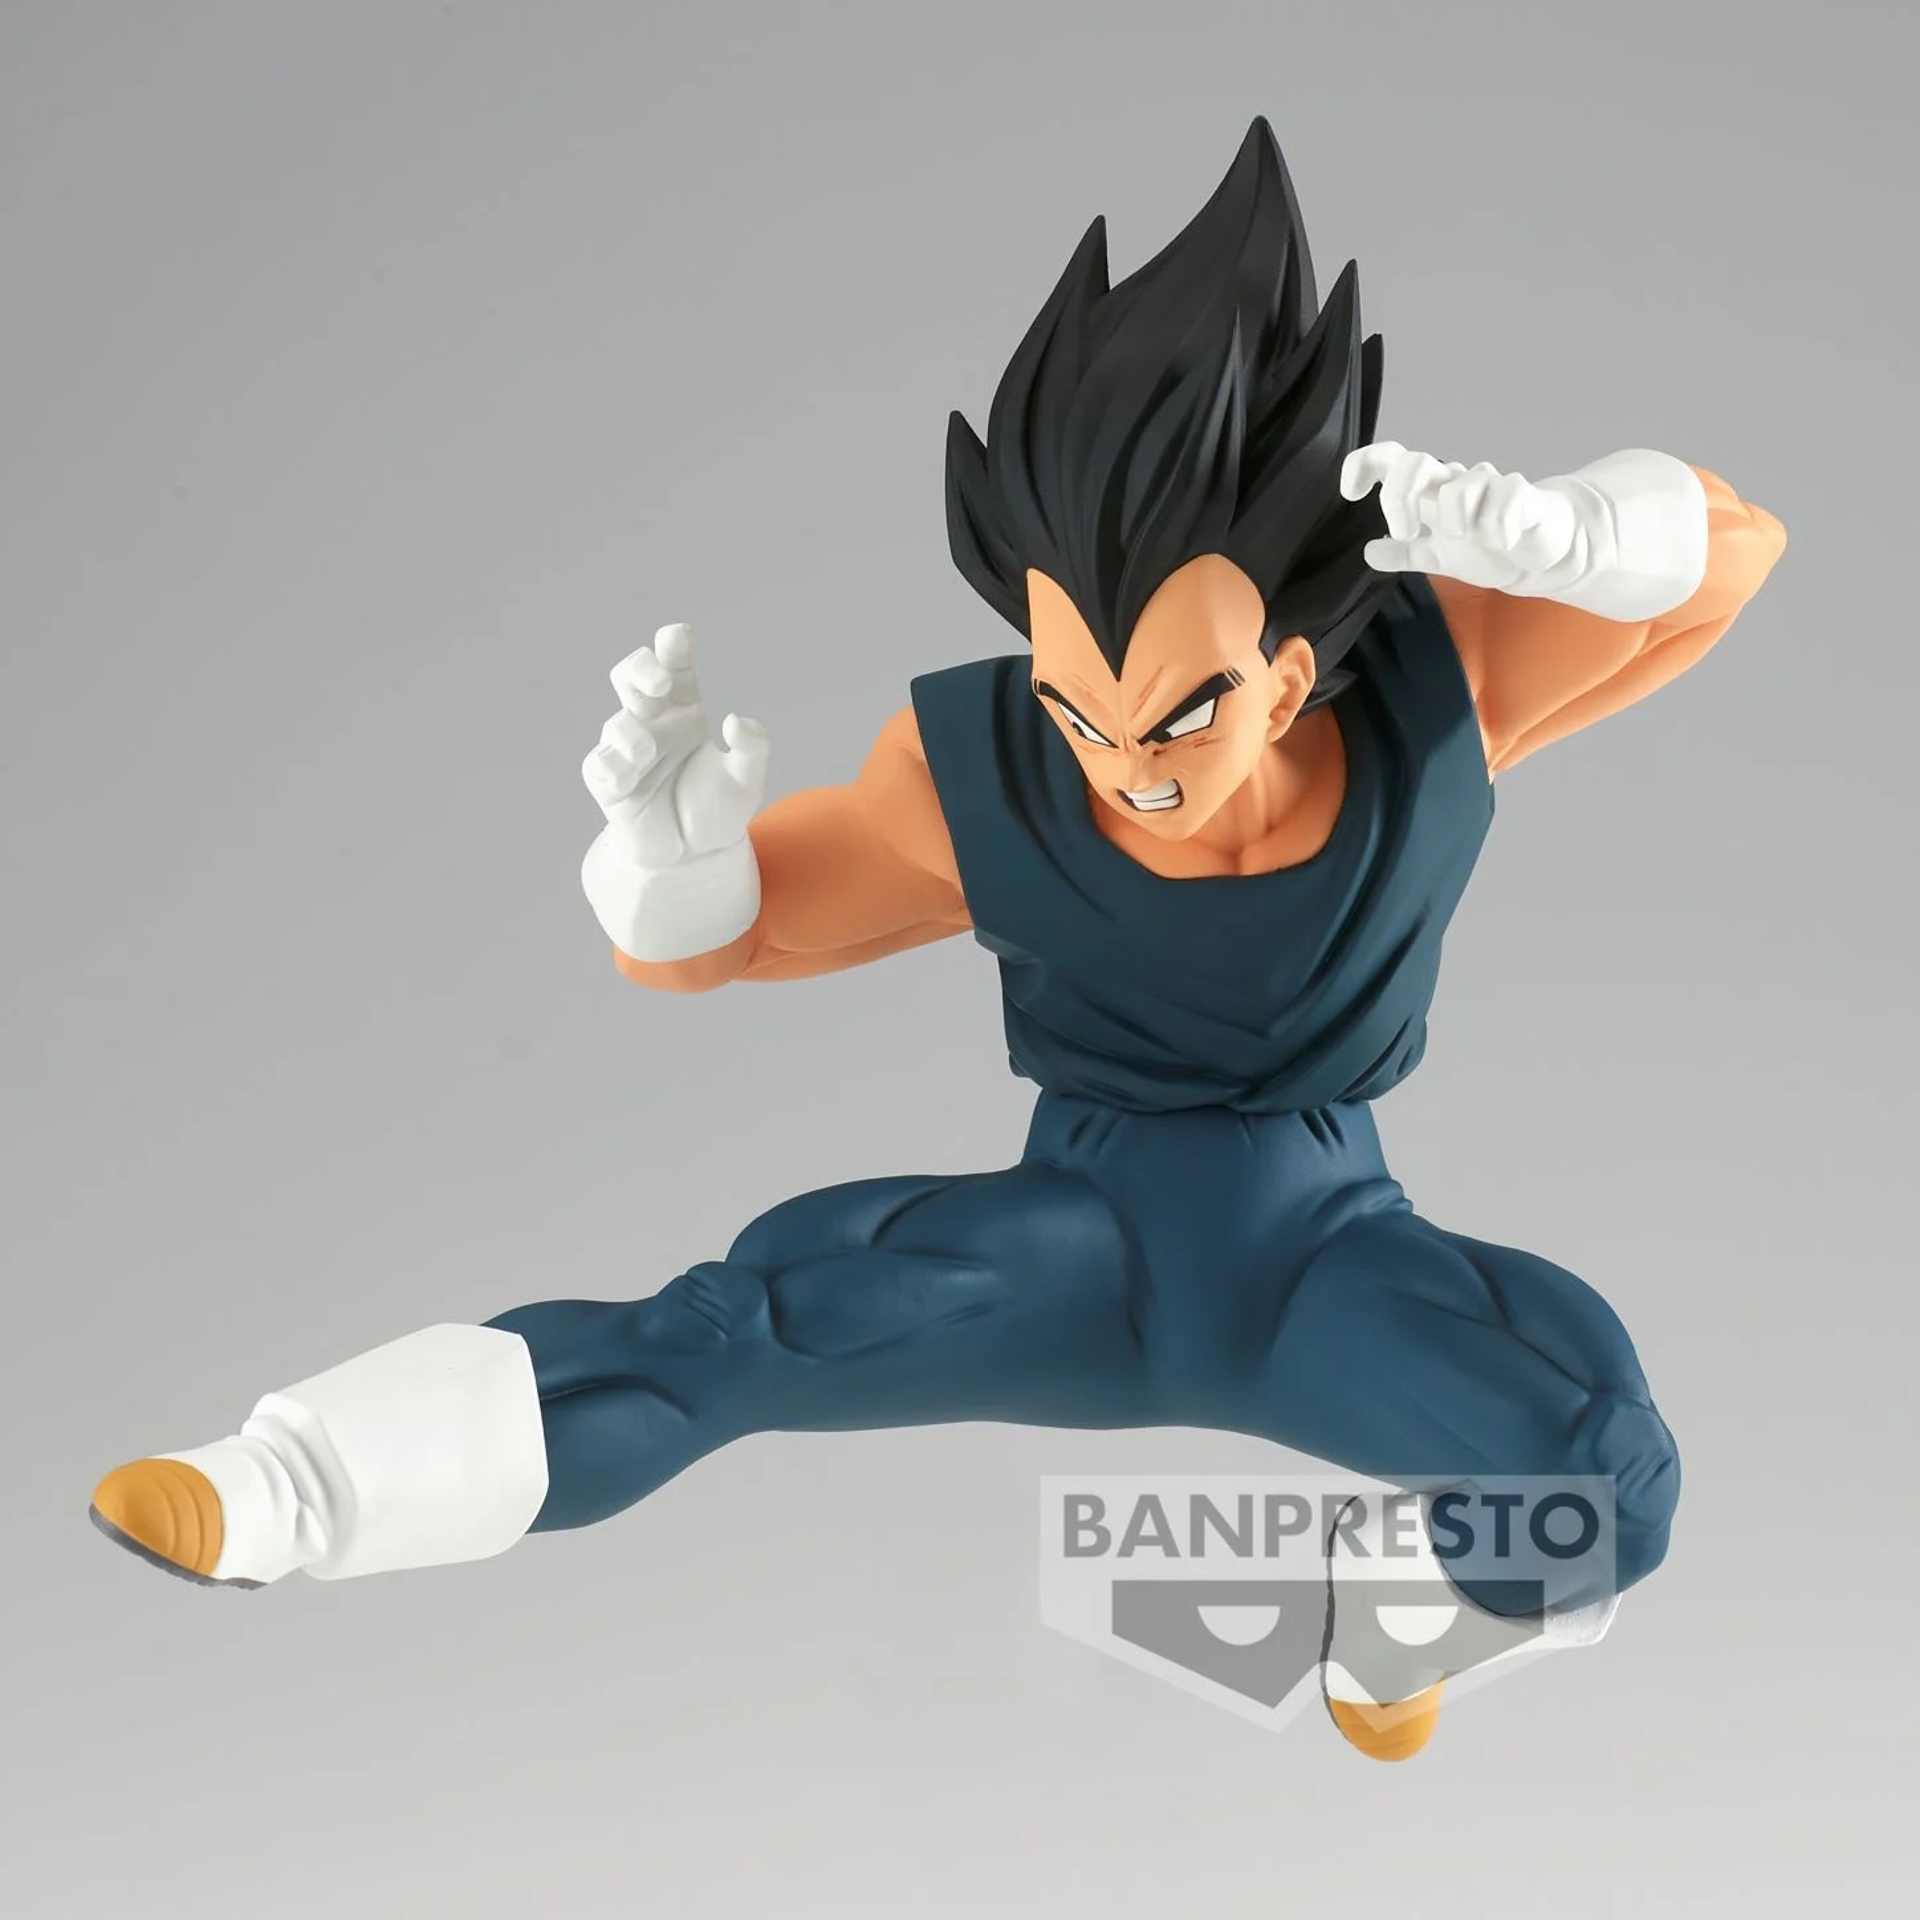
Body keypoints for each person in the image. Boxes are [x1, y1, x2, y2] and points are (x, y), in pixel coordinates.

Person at [90, 118, 1786, 1761]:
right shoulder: (985, 778)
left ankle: (1384, 1631)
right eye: (1076, 705)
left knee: (1606, 1480)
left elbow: (1731, 554)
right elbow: (733, 938)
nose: (1123, 765)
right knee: (733, 1331)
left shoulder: (1434, 692)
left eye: (1180, 712)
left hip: (1329, 1270)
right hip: (1070, 1256)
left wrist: (1590, 536)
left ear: (1287, 672)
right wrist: (664, 870)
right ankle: (287, 1486)